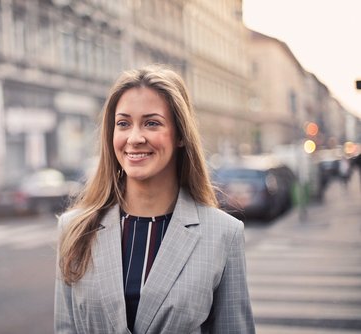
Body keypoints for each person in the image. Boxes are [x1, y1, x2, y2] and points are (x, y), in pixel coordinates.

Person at [55, 65, 255, 333]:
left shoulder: (223, 233)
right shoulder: (75, 228)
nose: (135, 138)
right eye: (123, 124)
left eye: (152, 123)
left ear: (181, 135)